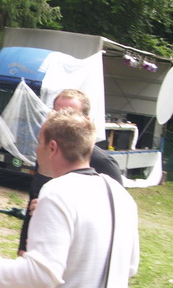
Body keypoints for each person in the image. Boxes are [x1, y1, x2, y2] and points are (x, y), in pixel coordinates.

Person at [0, 109, 140, 288]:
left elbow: (41, 275)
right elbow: (130, 266)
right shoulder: (120, 194)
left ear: (52, 148)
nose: (36, 150)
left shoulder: (56, 191)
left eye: (39, 143)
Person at [19, 88, 123, 254]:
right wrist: (23, 248)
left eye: (70, 114)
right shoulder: (46, 155)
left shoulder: (105, 165)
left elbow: (114, 218)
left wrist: (56, 210)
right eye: (56, 114)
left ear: (86, 122)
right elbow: (33, 201)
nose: (60, 120)